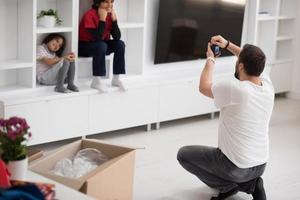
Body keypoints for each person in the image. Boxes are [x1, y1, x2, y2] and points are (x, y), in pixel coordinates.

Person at [177, 35, 274, 200]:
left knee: (184, 155)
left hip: (236, 167)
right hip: (261, 164)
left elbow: (203, 87)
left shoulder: (235, 89)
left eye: (238, 61)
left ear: (241, 65)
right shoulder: (267, 85)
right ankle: (252, 183)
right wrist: (227, 44)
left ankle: (229, 186)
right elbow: (249, 57)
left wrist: (210, 59)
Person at [78, 0, 126, 92]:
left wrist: (114, 20)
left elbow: (117, 37)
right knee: (101, 45)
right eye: (106, 2)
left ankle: (116, 78)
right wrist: (102, 19)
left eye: (111, 2)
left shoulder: (109, 15)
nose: (110, 5)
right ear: (98, 3)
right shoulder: (90, 14)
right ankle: (96, 80)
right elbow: (97, 37)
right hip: (84, 47)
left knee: (120, 44)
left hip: (100, 45)